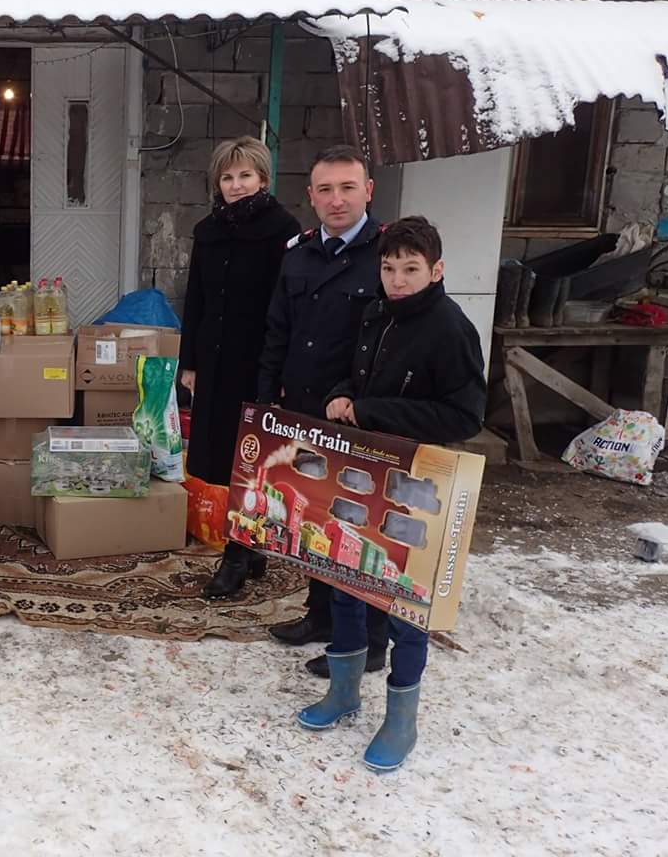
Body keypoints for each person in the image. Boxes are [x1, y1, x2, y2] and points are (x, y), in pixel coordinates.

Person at [298, 215, 486, 771]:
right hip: (361, 473)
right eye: (388, 268)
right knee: (349, 582)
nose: (397, 279)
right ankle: (344, 690)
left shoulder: (451, 328)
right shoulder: (375, 312)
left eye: (410, 269)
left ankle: (401, 719)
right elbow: (351, 377)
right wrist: (339, 395)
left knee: (406, 605)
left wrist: (368, 410)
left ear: (437, 270)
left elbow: (464, 413)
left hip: (418, 485)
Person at [252, 144, 390, 678]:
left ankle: (371, 639)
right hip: (303, 409)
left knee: (359, 524)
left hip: (357, 415)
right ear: (310, 197)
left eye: (347, 187)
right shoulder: (299, 254)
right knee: (315, 516)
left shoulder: (387, 256)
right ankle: (320, 615)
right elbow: (276, 333)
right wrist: (267, 397)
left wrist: (362, 399)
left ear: (368, 191)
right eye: (326, 190)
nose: (337, 200)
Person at [180, 137, 300, 598]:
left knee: (251, 459)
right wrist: (188, 362)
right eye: (227, 177)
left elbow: (284, 305)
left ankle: (236, 554)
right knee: (221, 458)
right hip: (214, 360)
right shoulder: (207, 231)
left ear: (263, 179)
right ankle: (250, 550)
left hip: (257, 364)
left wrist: (280, 372)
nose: (236, 185)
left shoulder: (282, 231)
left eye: (245, 175)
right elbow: (196, 299)